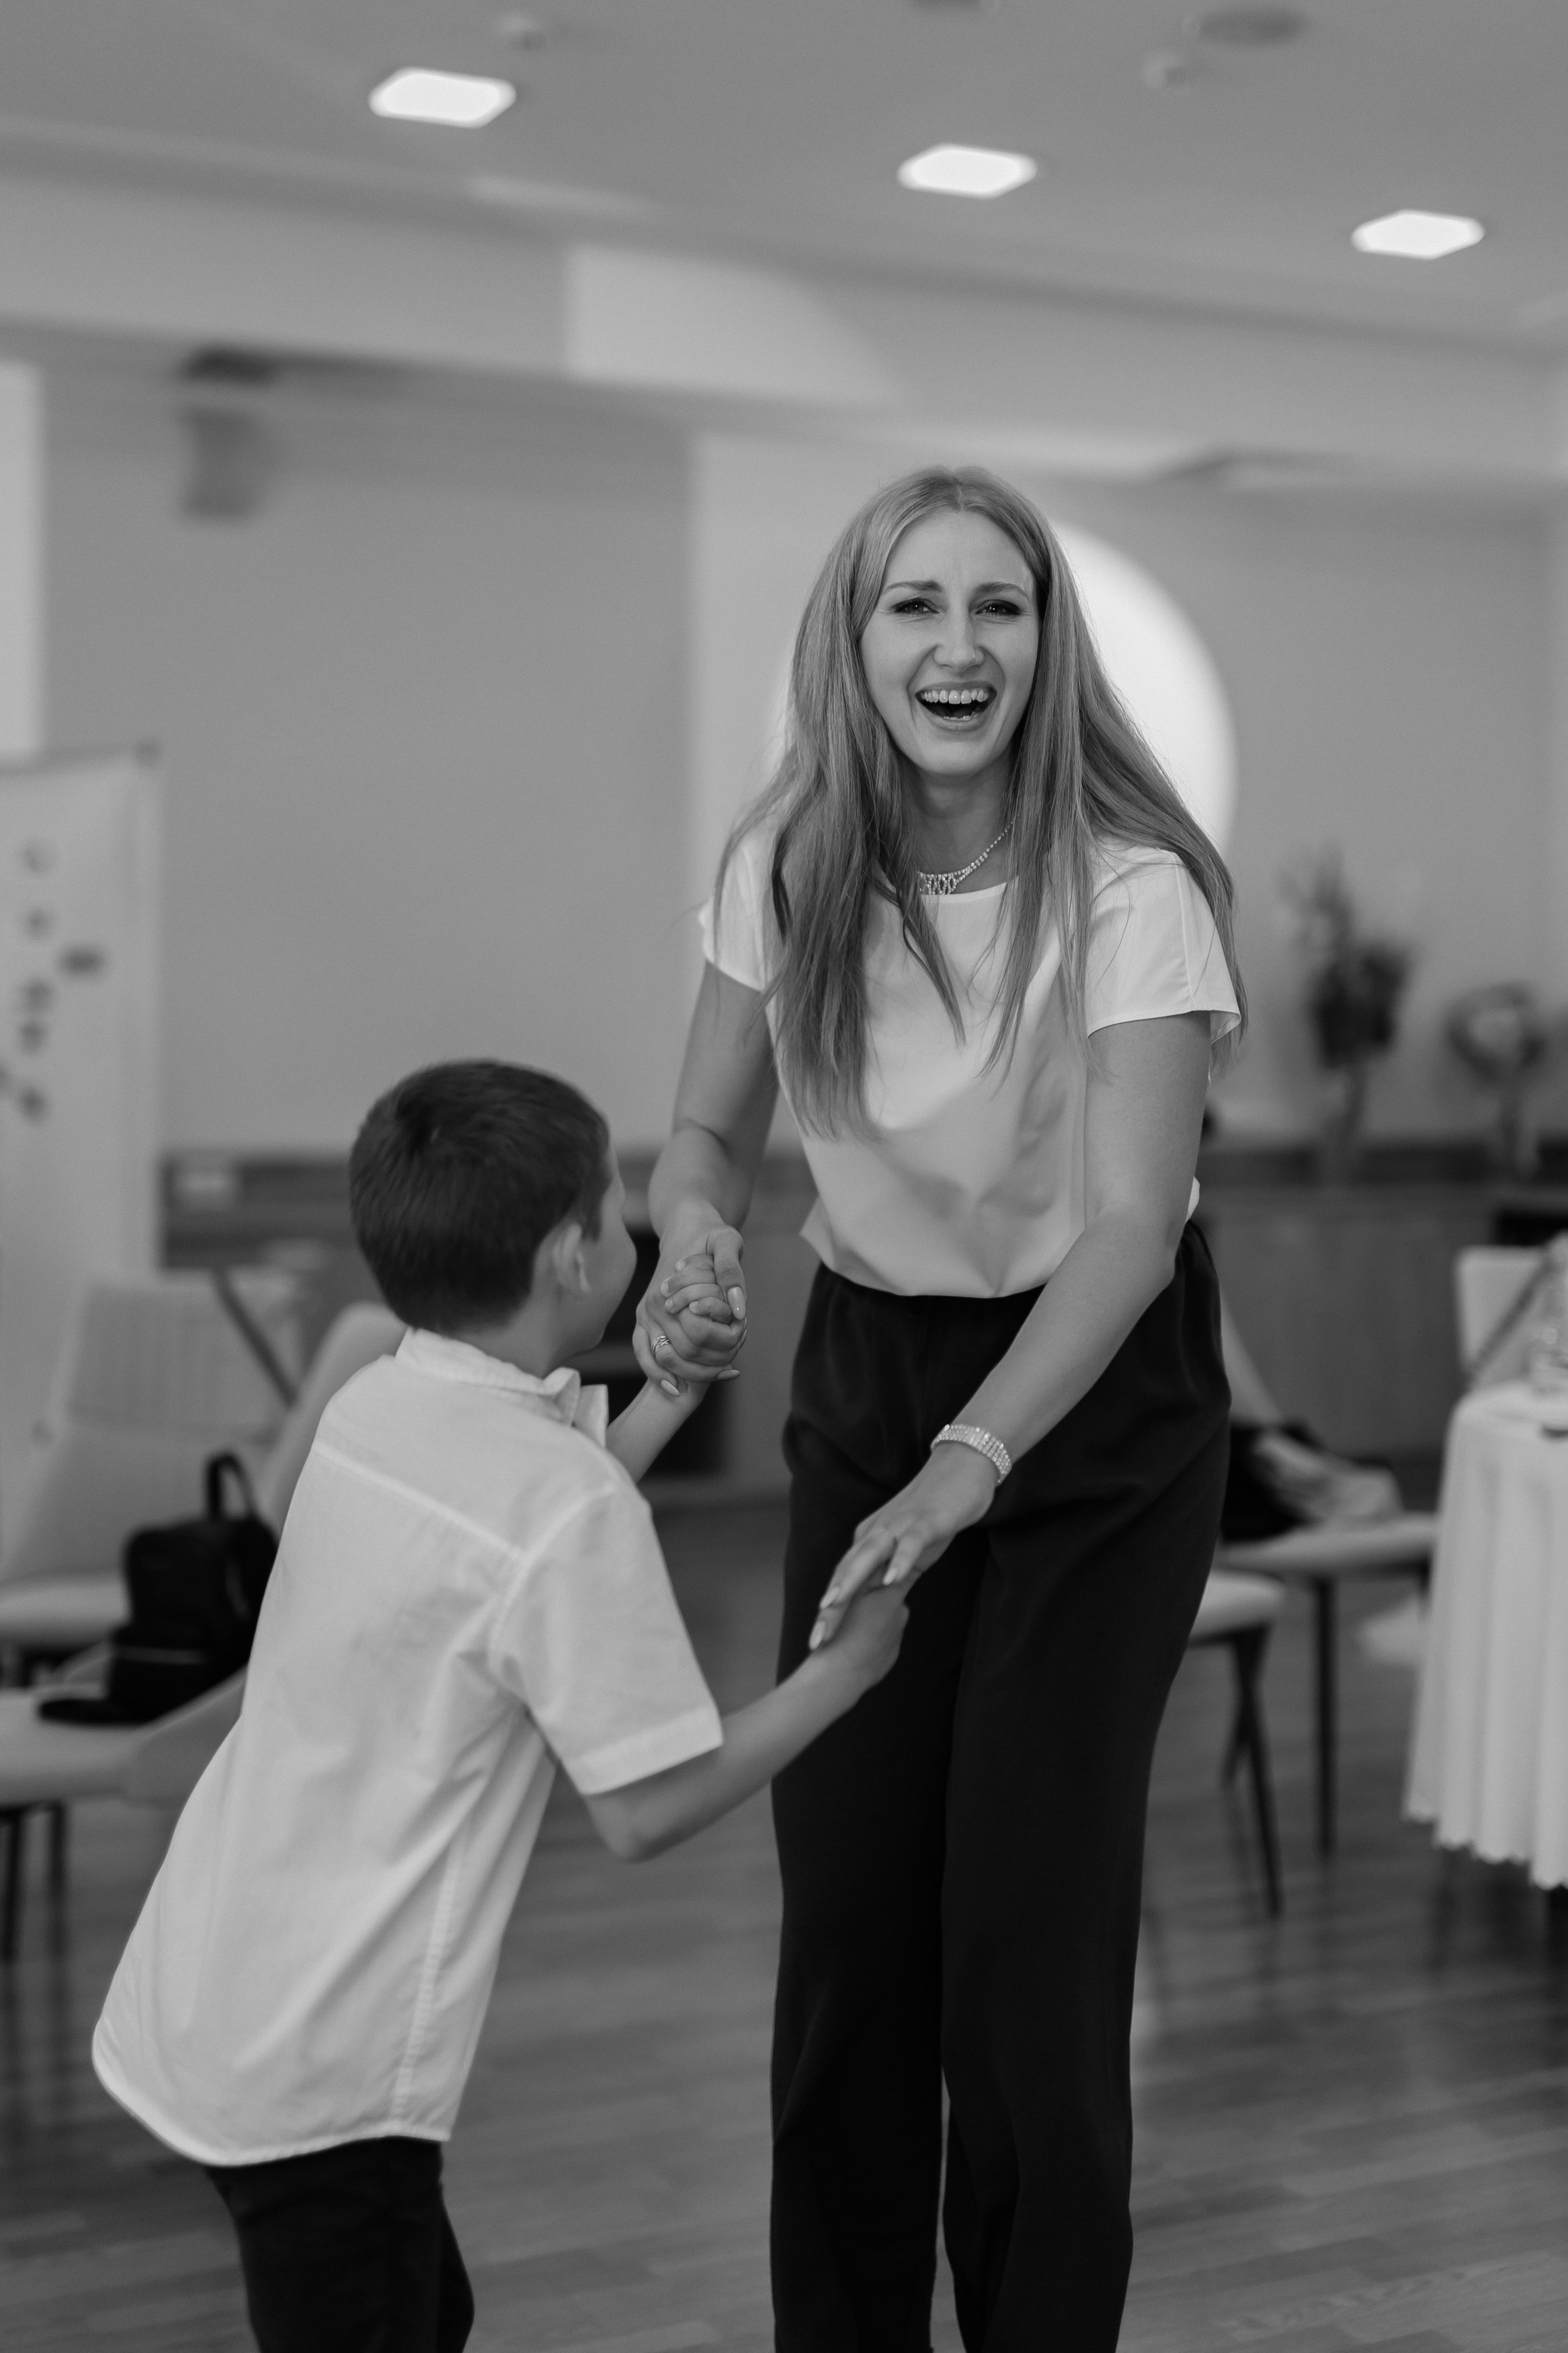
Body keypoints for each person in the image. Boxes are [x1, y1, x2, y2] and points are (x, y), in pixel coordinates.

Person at [636, 469, 1245, 2350]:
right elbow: (704, 1128)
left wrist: (969, 1465)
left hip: (1088, 1409)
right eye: (915, 606)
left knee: (1023, 1944)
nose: (957, 646)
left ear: (1048, 645)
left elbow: (1131, 1225)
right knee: (850, 1930)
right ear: (857, 635)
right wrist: (681, 1230)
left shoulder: (1128, 892)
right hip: (873, 1375)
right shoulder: (789, 861)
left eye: (999, 607)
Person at [91, 1060, 907, 2353]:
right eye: (618, 1202)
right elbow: (645, 1805)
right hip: (322, 2068)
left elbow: (528, 1512)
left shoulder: (384, 1400)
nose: (637, 1222)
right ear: (566, 1257)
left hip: (209, 1986)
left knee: (430, 2308)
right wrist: (840, 1676)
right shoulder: (553, 1505)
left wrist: (672, 1390)